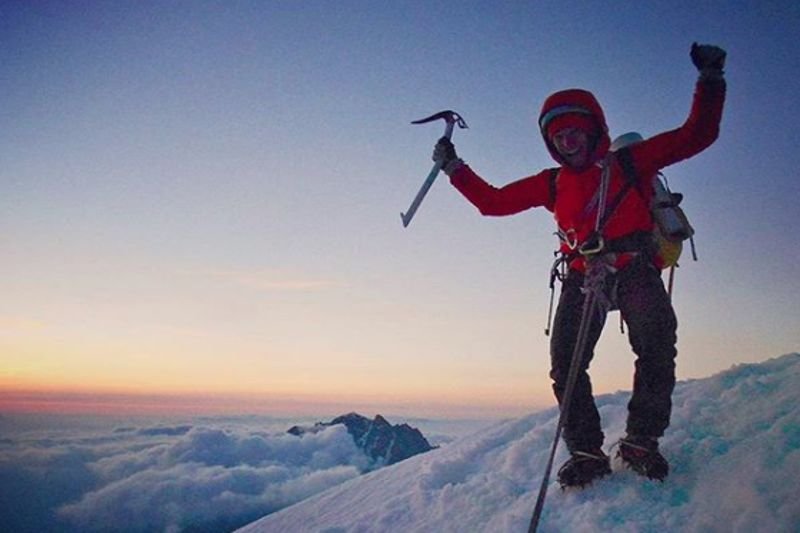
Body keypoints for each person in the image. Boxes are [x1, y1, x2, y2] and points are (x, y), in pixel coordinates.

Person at [432, 43, 726, 487]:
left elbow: (696, 135)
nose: (567, 141)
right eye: (559, 136)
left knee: (656, 348)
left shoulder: (631, 161)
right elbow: (492, 203)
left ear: (595, 132)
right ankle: (587, 451)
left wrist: (710, 80)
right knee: (567, 364)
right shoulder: (552, 182)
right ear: (550, 143)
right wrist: (454, 168)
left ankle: (641, 441)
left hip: (632, 267)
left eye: (576, 132)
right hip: (583, 273)